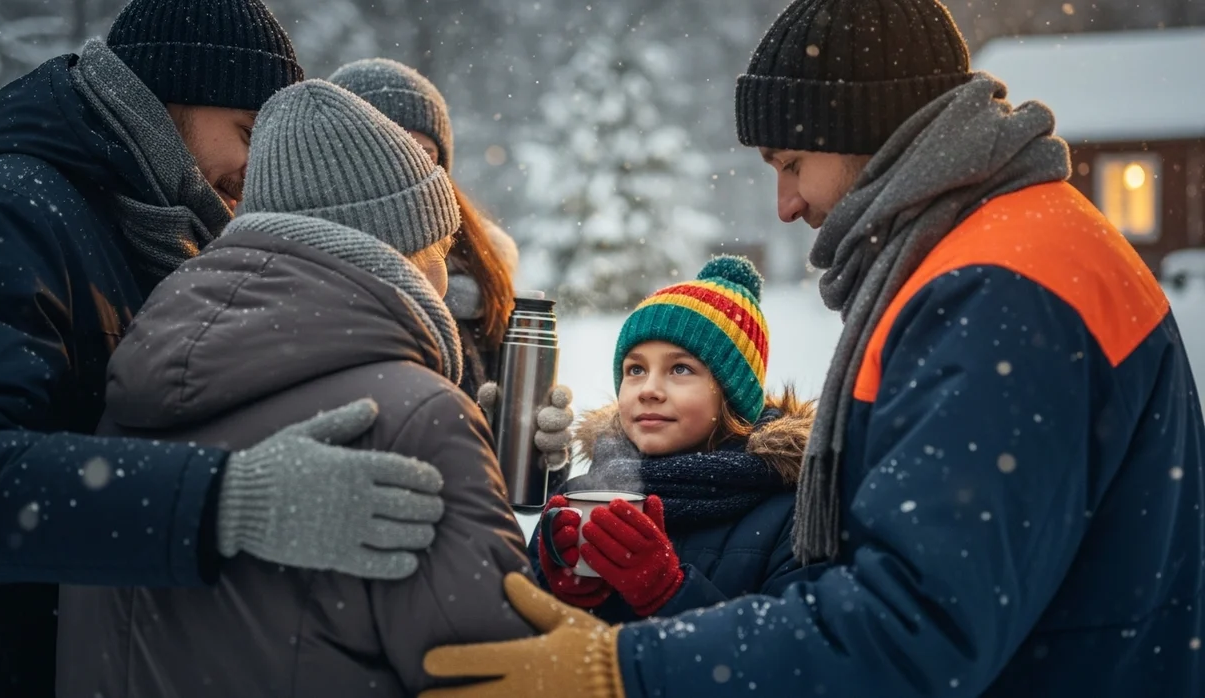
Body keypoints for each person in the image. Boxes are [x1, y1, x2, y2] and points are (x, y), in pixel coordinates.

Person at [417, 0, 1205, 696]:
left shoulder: (996, 292)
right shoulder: (1016, 251)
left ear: (869, 133)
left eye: (791, 164)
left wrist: (629, 668)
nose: (788, 205)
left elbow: (915, 623)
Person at [0, 1, 444, 695]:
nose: (255, 167)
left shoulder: (152, 226)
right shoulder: (7, 208)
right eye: (248, 132)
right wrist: (225, 499)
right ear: (175, 93)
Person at [56, 79, 536, 697]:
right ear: (398, 247)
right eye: (437, 246)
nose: (443, 279)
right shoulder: (418, 419)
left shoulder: (133, 383)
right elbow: (508, 670)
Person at [528, 256, 816, 621]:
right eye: (635, 369)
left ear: (732, 396)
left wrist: (669, 593)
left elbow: (789, 660)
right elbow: (515, 644)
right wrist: (561, 594)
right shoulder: (581, 496)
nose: (648, 389)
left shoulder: (792, 514)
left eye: (680, 369)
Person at [328, 58, 574, 476]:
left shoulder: (479, 287)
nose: (408, 170)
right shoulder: (306, 286)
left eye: (423, 152)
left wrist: (541, 460)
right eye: (387, 148)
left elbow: (501, 482)